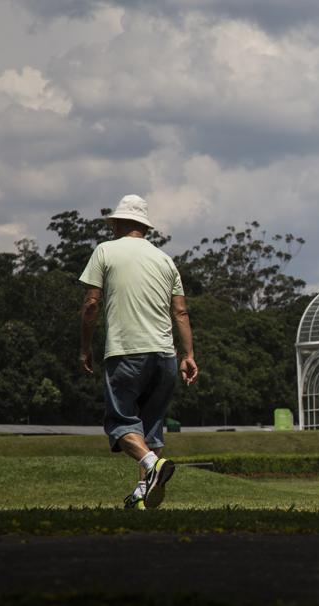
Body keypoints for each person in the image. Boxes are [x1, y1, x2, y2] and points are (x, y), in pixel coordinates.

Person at [79, 194, 198, 509]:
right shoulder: (165, 260)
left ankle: (152, 464)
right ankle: (143, 494)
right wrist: (188, 355)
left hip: (126, 352)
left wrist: (85, 347)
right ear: (144, 227)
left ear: (118, 223)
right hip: (165, 357)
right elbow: (181, 313)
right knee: (151, 429)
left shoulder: (105, 250)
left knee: (119, 422)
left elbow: (92, 303)